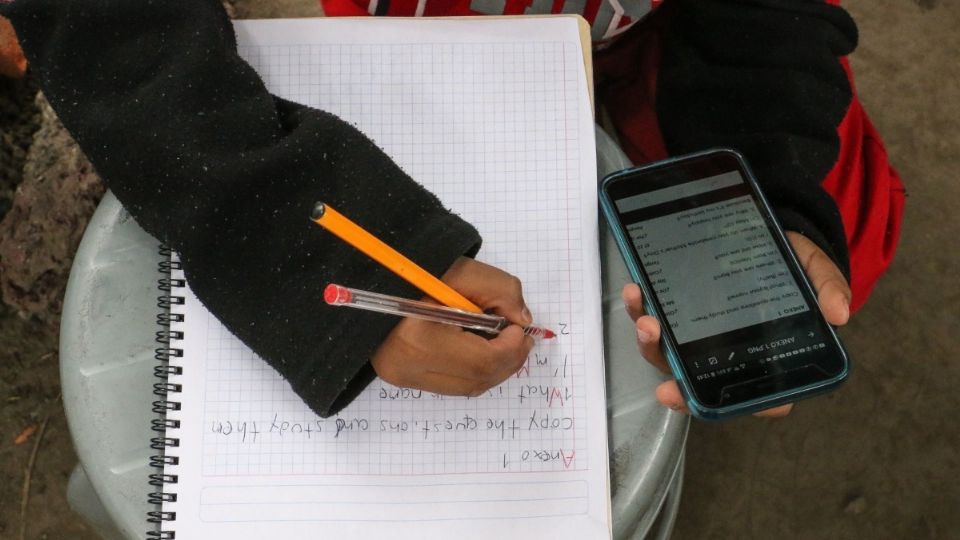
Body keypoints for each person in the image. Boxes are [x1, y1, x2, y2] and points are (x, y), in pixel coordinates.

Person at [0, 0, 903, 418]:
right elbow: (108, 29)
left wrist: (773, 186)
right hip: (311, 57)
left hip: (643, 48)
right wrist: (309, 253)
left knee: (832, 229)